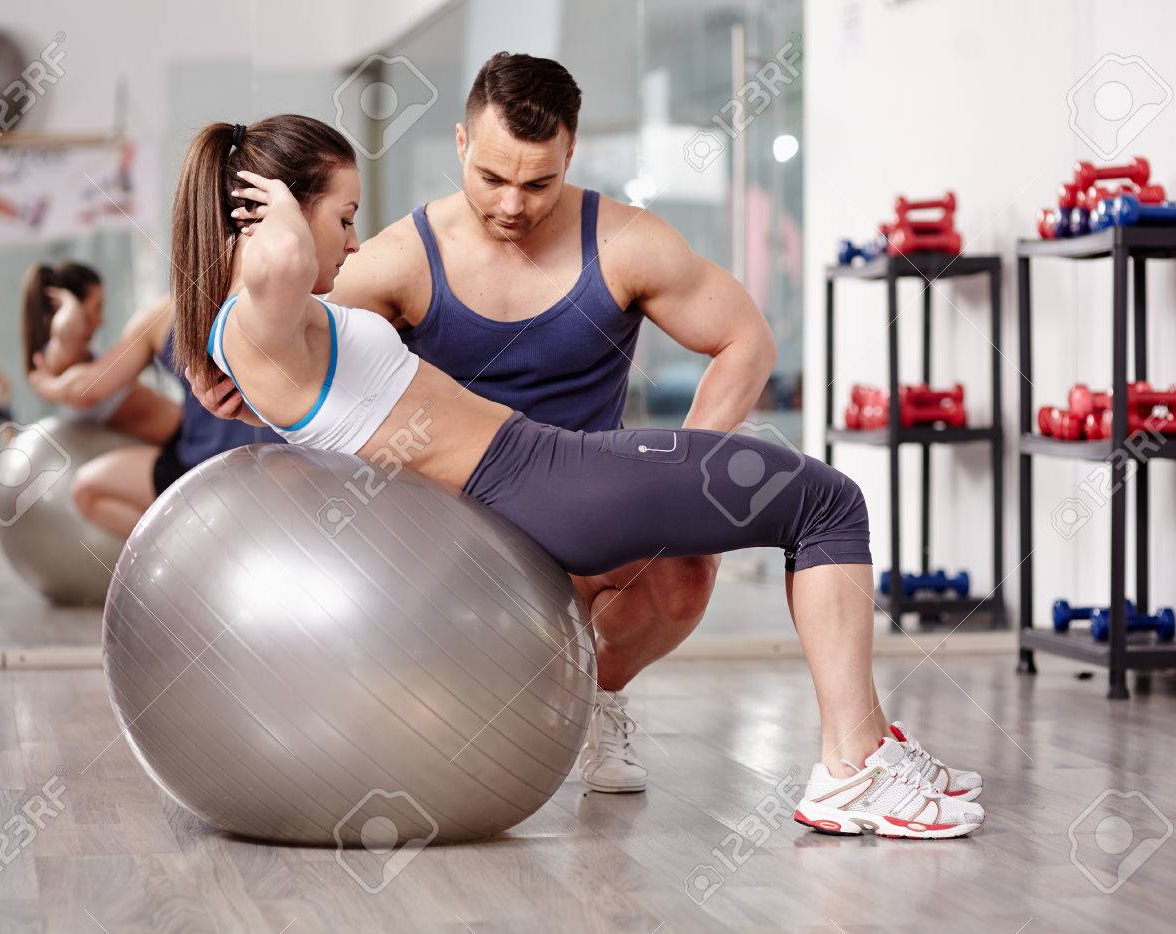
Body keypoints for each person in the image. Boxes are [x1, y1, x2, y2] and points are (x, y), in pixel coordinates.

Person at [170, 113, 987, 839]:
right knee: (825, 502)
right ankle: (852, 769)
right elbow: (278, 263)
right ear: (275, 212)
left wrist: (283, 223)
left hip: (544, 470)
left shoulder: (260, 326)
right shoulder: (258, 310)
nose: (352, 243)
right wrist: (276, 214)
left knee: (805, 503)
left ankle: (871, 741)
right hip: (541, 484)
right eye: (343, 217)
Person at [191, 53, 778, 794]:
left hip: (590, 494)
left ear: (572, 154)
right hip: (458, 518)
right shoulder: (399, 258)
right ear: (462, 144)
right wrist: (223, 373)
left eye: (539, 182)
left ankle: (601, 693)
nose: (511, 204)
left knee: (687, 571)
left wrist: (684, 470)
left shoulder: (625, 241)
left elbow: (746, 341)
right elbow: (296, 353)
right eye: (492, 178)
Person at [26, 290, 282, 540]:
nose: (99, 321)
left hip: (207, 467)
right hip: (279, 459)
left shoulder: (161, 317)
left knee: (86, 490)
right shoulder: (267, 294)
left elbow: (87, 389)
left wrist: (45, 385)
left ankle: (188, 550)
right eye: (96, 308)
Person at [22, 261, 180, 445]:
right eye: (96, 307)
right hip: (173, 440)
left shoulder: (79, 356)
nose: (100, 320)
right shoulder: (56, 357)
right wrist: (69, 301)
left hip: (179, 429)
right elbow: (72, 326)